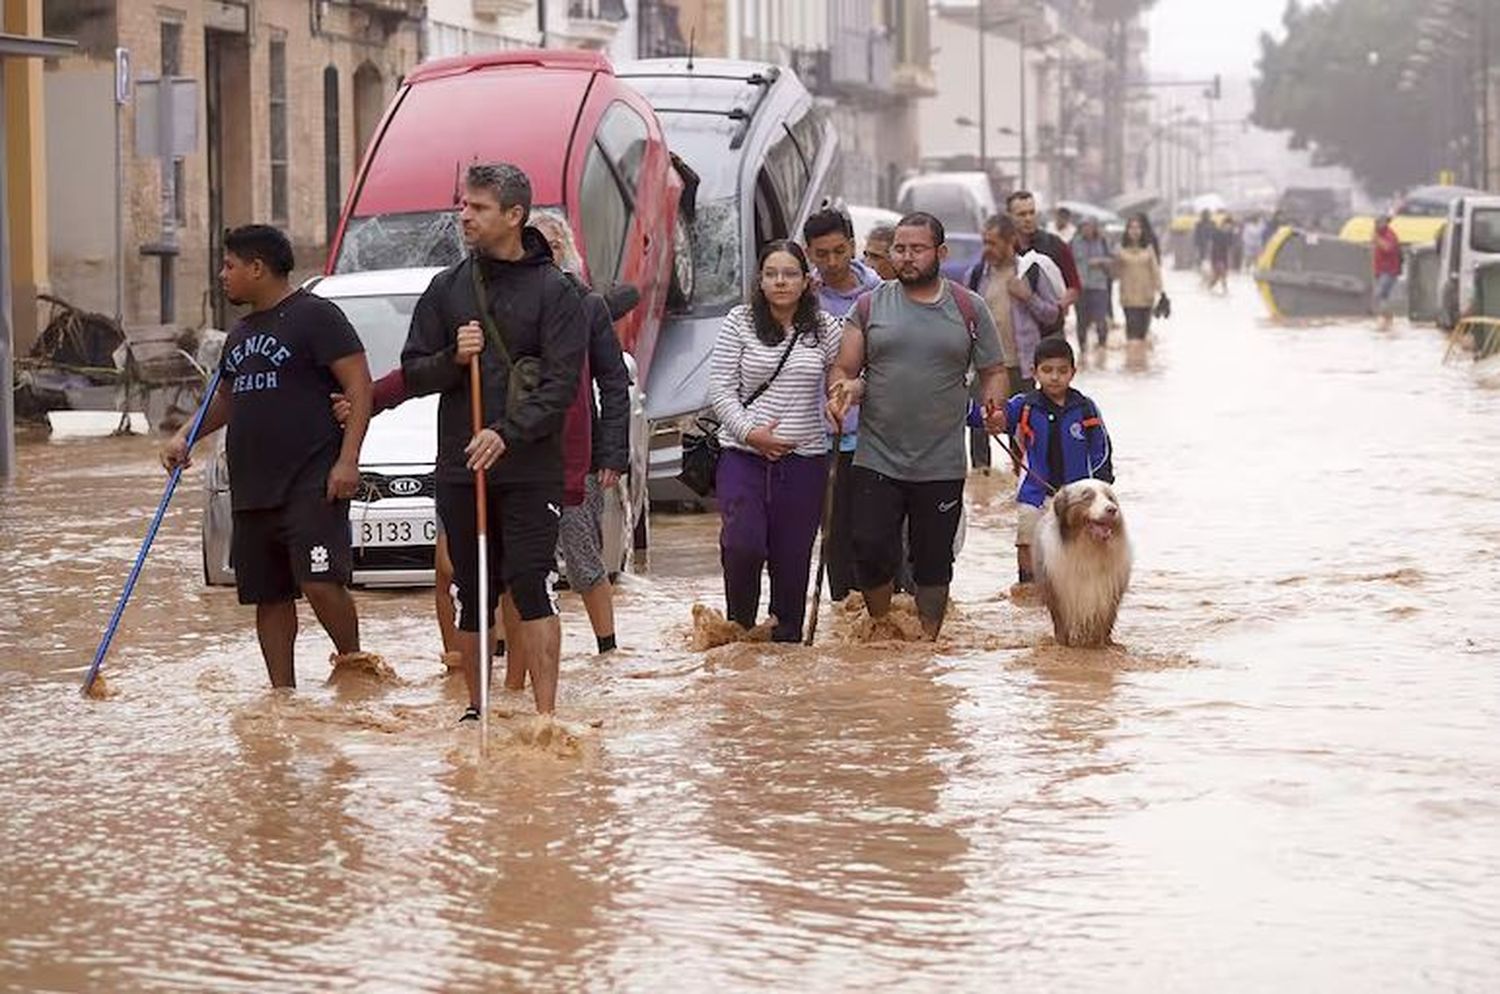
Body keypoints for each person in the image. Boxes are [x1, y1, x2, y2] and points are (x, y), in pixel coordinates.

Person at [401, 162, 586, 723]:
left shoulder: (557, 292)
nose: (464, 216)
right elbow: (413, 372)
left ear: (514, 215)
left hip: (529, 467)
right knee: (471, 586)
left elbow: (559, 388)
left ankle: (545, 717)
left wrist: (505, 434)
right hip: (462, 466)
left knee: (531, 580)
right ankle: (477, 709)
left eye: (477, 208)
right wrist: (453, 359)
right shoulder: (447, 288)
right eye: (463, 205)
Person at [161, 224, 374, 687]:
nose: (222, 275)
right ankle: (282, 695)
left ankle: (355, 666)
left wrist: (349, 459)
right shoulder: (240, 334)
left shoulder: (317, 317)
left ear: (257, 268)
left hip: (312, 478)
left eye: (230, 265)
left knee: (320, 580)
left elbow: (360, 384)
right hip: (254, 483)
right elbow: (227, 398)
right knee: (268, 595)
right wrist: (185, 436)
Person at [826, 212, 1008, 639]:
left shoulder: (968, 307)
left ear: (940, 253)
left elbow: (993, 369)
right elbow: (845, 367)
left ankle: (928, 642)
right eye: (900, 249)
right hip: (877, 456)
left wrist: (994, 406)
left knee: (933, 561)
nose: (907, 258)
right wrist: (843, 391)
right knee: (869, 549)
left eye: (917, 249)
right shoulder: (870, 305)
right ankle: (882, 628)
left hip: (940, 461)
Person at [708, 240, 843, 642]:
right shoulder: (739, 322)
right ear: (760, 281)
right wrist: (752, 433)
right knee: (742, 545)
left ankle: (785, 647)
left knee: (792, 560)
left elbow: (846, 374)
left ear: (806, 281)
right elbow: (720, 390)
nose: (780, 282)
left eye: (789, 274)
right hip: (742, 455)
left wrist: (840, 397)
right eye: (771, 274)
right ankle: (740, 633)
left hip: (804, 462)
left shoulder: (825, 329)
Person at [530, 212, 631, 657]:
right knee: (519, 562)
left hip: (580, 453)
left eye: (553, 245)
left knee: (584, 555)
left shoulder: (588, 306)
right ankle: (503, 652)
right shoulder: (512, 303)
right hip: (522, 453)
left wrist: (612, 453)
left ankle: (607, 648)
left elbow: (613, 383)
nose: (545, 254)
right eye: (537, 245)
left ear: (566, 251)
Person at [990, 336, 1113, 590]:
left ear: (1073, 372)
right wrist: (988, 416)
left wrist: (1100, 486)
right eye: (1047, 370)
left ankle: (1080, 591)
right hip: (1034, 493)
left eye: (1062, 371)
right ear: (1034, 372)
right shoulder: (1023, 406)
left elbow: (1102, 449)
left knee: (1081, 545)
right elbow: (995, 419)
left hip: (1078, 497)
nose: (1054, 377)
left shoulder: (1086, 408)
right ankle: (1027, 588)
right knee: (1026, 540)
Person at [804, 207, 882, 602]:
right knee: (833, 535)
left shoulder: (880, 295)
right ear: (809, 253)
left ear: (853, 246)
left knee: (872, 535)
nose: (832, 262)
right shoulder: (803, 299)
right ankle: (843, 615)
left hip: (873, 435)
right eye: (822, 254)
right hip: (820, 436)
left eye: (839, 251)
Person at [969, 213, 1060, 389]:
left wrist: (1028, 297)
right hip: (986, 369)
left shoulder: (1030, 272)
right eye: (985, 243)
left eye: (993, 243)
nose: (987, 249)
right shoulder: (976, 276)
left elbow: (1052, 315)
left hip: (1022, 369)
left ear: (1010, 240)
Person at [1007, 191, 1077, 337]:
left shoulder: (1055, 245)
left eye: (1032, 213)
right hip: (1016, 331)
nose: (1028, 218)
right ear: (1010, 216)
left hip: (1050, 330)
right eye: (1021, 214)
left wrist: (1059, 308)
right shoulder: (1005, 249)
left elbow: (1074, 286)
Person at [1118, 213, 1163, 358]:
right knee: (1132, 335)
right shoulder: (1120, 250)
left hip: (1146, 297)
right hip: (1128, 298)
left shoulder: (1149, 249)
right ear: (1127, 230)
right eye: (1131, 228)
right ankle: (1132, 367)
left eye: (1138, 228)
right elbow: (1114, 273)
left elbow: (1155, 272)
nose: (1135, 231)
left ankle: (1140, 365)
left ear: (1143, 231)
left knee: (1142, 335)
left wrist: (1162, 292)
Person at [1070, 217, 1113, 354]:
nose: (1087, 229)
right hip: (1080, 287)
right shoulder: (1073, 243)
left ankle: (1102, 349)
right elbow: (1066, 262)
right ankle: (1082, 351)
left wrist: (1101, 261)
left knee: (1101, 319)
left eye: (1090, 226)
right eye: (1084, 226)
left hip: (1099, 286)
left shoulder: (1103, 242)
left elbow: (1113, 259)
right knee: (1081, 321)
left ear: (1095, 228)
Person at [1372, 214, 1403, 330]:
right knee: (1383, 296)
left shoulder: (1389, 235)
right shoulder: (1379, 234)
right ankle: (1387, 320)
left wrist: (1377, 240)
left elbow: (1388, 248)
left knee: (1380, 294)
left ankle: (1386, 319)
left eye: (1378, 223)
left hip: (1389, 271)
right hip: (1381, 271)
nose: (1376, 226)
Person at [1208, 215, 1235, 294]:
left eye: (1230, 226)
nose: (1229, 227)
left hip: (1224, 256)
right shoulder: (1217, 232)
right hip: (1216, 255)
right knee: (1222, 273)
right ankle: (1225, 289)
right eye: (1228, 225)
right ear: (1224, 224)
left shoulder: (1230, 234)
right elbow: (1212, 243)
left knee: (1217, 276)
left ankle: (1208, 288)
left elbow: (1230, 245)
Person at [1194, 209, 1216, 274]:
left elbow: (1215, 232)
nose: (1207, 216)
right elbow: (1197, 234)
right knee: (1202, 256)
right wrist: (1196, 243)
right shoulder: (1199, 224)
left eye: (1208, 214)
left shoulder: (1212, 223)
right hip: (1202, 243)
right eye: (1205, 214)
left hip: (1210, 241)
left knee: (1210, 255)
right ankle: (1201, 268)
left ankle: (1210, 268)